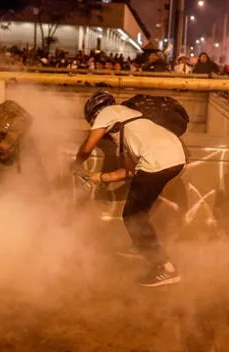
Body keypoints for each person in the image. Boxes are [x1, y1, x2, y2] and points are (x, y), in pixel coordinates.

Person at [73, 90, 187, 287]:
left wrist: (76, 164)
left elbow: (87, 147)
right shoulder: (133, 125)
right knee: (139, 212)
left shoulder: (110, 111)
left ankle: (166, 268)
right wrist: (99, 177)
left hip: (158, 161)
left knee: (132, 216)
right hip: (175, 159)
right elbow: (130, 171)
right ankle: (141, 245)